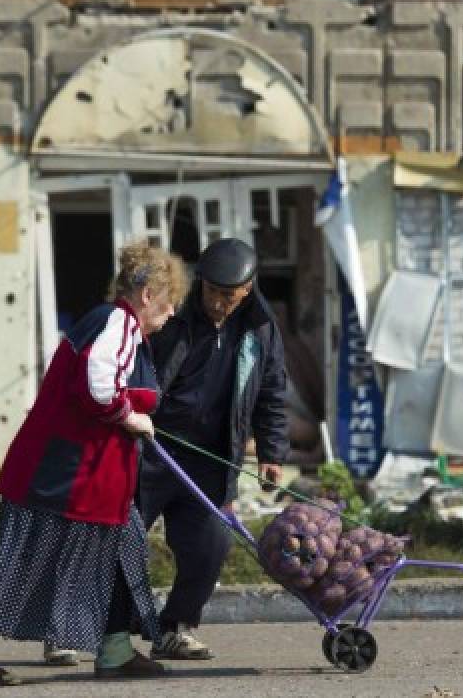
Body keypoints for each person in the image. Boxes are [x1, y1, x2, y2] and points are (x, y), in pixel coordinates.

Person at [0, 241, 189, 686]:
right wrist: (130, 417)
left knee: (120, 555)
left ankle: (115, 649)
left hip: (94, 484)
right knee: (22, 564)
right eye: (170, 302)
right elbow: (99, 388)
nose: (172, 313)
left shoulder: (122, 329)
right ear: (148, 295)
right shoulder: (116, 322)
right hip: (61, 479)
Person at [139, 238, 288, 660]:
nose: (219, 304)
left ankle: (175, 628)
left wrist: (272, 454)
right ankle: (76, 630)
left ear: (247, 289)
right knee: (116, 539)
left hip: (213, 457)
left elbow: (272, 393)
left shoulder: (260, 327)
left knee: (212, 544)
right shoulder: (172, 315)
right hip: (152, 448)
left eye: (229, 297)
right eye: (211, 293)